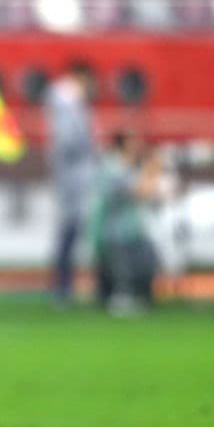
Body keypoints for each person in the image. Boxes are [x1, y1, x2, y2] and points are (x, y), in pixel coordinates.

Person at [92, 128, 161, 315]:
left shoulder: (123, 166)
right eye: (133, 142)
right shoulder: (113, 167)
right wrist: (152, 169)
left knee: (144, 262)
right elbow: (140, 191)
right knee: (123, 271)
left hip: (129, 229)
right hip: (115, 231)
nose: (138, 146)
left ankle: (129, 296)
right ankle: (121, 299)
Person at [44, 60, 96, 305]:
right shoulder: (66, 101)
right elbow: (68, 142)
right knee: (70, 229)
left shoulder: (67, 102)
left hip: (73, 174)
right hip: (72, 175)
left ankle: (64, 285)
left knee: (72, 230)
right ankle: (62, 287)